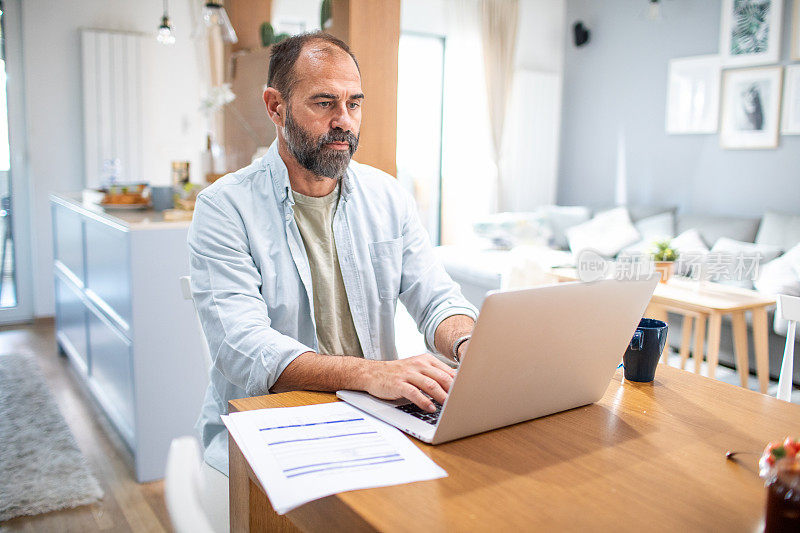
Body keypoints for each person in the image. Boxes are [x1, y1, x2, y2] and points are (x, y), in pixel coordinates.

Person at [188, 32, 476, 495]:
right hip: (275, 424)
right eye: (324, 103)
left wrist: (467, 344)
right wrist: (372, 374)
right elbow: (244, 347)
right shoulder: (224, 208)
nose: (344, 121)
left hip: (375, 418)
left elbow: (437, 297)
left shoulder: (387, 197)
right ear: (275, 107)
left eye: (354, 104)